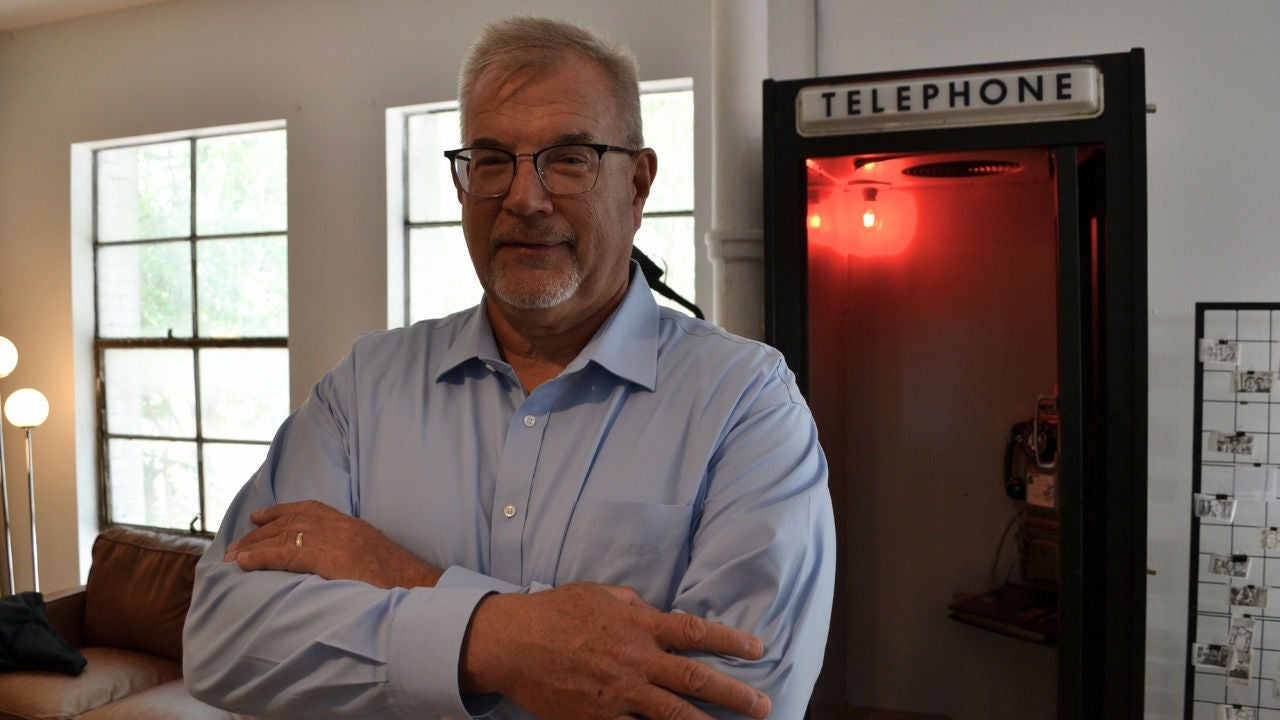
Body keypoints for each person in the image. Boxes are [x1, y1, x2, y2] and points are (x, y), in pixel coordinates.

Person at [184, 15, 834, 720]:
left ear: (638, 184)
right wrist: (502, 639)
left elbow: (735, 703)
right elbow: (223, 638)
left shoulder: (746, 403)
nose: (524, 198)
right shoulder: (365, 387)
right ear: (464, 185)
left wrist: (402, 578)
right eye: (492, 160)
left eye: (570, 157)